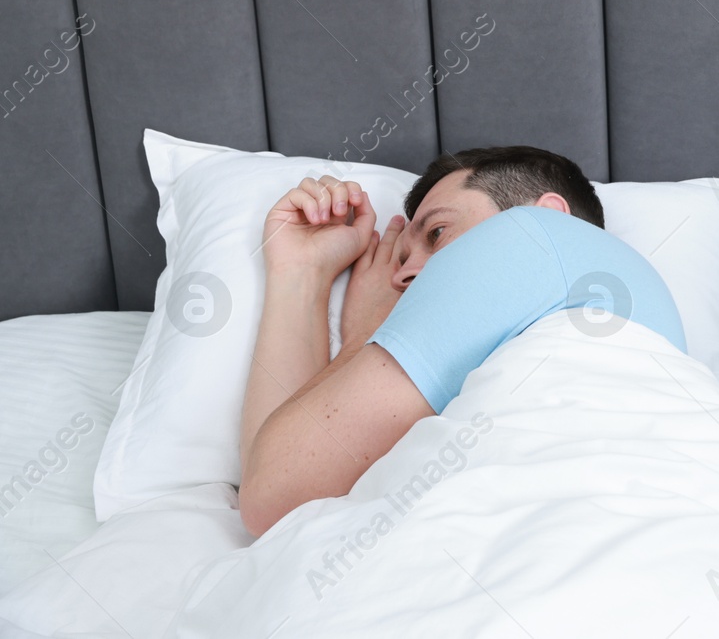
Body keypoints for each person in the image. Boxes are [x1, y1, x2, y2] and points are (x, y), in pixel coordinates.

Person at [236, 145, 686, 539]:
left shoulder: (533, 234)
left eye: (436, 233)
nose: (401, 275)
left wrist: (364, 336)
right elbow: (270, 479)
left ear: (548, 213)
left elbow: (271, 494)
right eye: (402, 259)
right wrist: (302, 275)